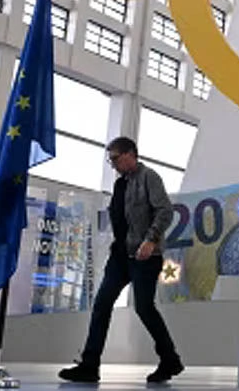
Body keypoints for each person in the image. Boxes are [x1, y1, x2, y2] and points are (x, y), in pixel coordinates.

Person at [59, 137, 184, 383]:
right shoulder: (120, 184)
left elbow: (165, 211)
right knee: (102, 304)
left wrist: (151, 239)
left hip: (145, 255)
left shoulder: (149, 177)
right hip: (120, 256)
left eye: (115, 158)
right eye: (111, 160)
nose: (113, 164)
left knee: (144, 308)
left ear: (130, 154)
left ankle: (170, 359)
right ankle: (89, 365)